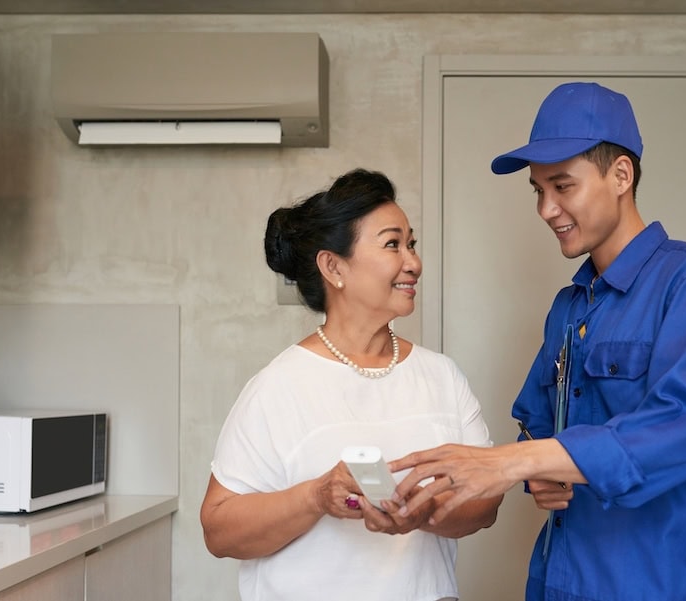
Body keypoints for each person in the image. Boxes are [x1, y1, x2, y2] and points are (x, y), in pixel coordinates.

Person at [389, 82, 686, 601]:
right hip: (558, 579)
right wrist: (533, 469)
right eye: (538, 191)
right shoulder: (569, 306)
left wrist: (516, 463)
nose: (546, 208)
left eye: (563, 186)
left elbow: (679, 431)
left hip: (657, 583)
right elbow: (538, 423)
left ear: (621, 175)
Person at [200, 168, 502, 601]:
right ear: (334, 266)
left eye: (411, 244)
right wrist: (318, 497)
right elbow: (219, 528)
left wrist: (422, 511)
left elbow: (487, 506)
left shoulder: (442, 377)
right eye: (393, 244)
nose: (413, 262)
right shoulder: (278, 387)